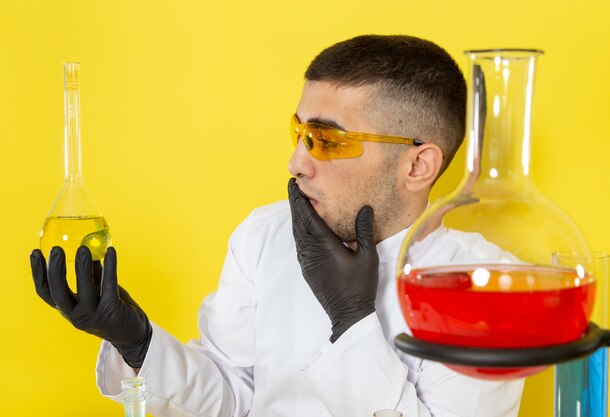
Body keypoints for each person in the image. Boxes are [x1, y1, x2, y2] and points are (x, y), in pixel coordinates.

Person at [30, 35, 525, 417]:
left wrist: (351, 318)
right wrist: (137, 342)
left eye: (328, 140)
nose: (296, 162)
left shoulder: (489, 289)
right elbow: (231, 396)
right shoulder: (264, 235)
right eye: (299, 132)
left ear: (418, 166)